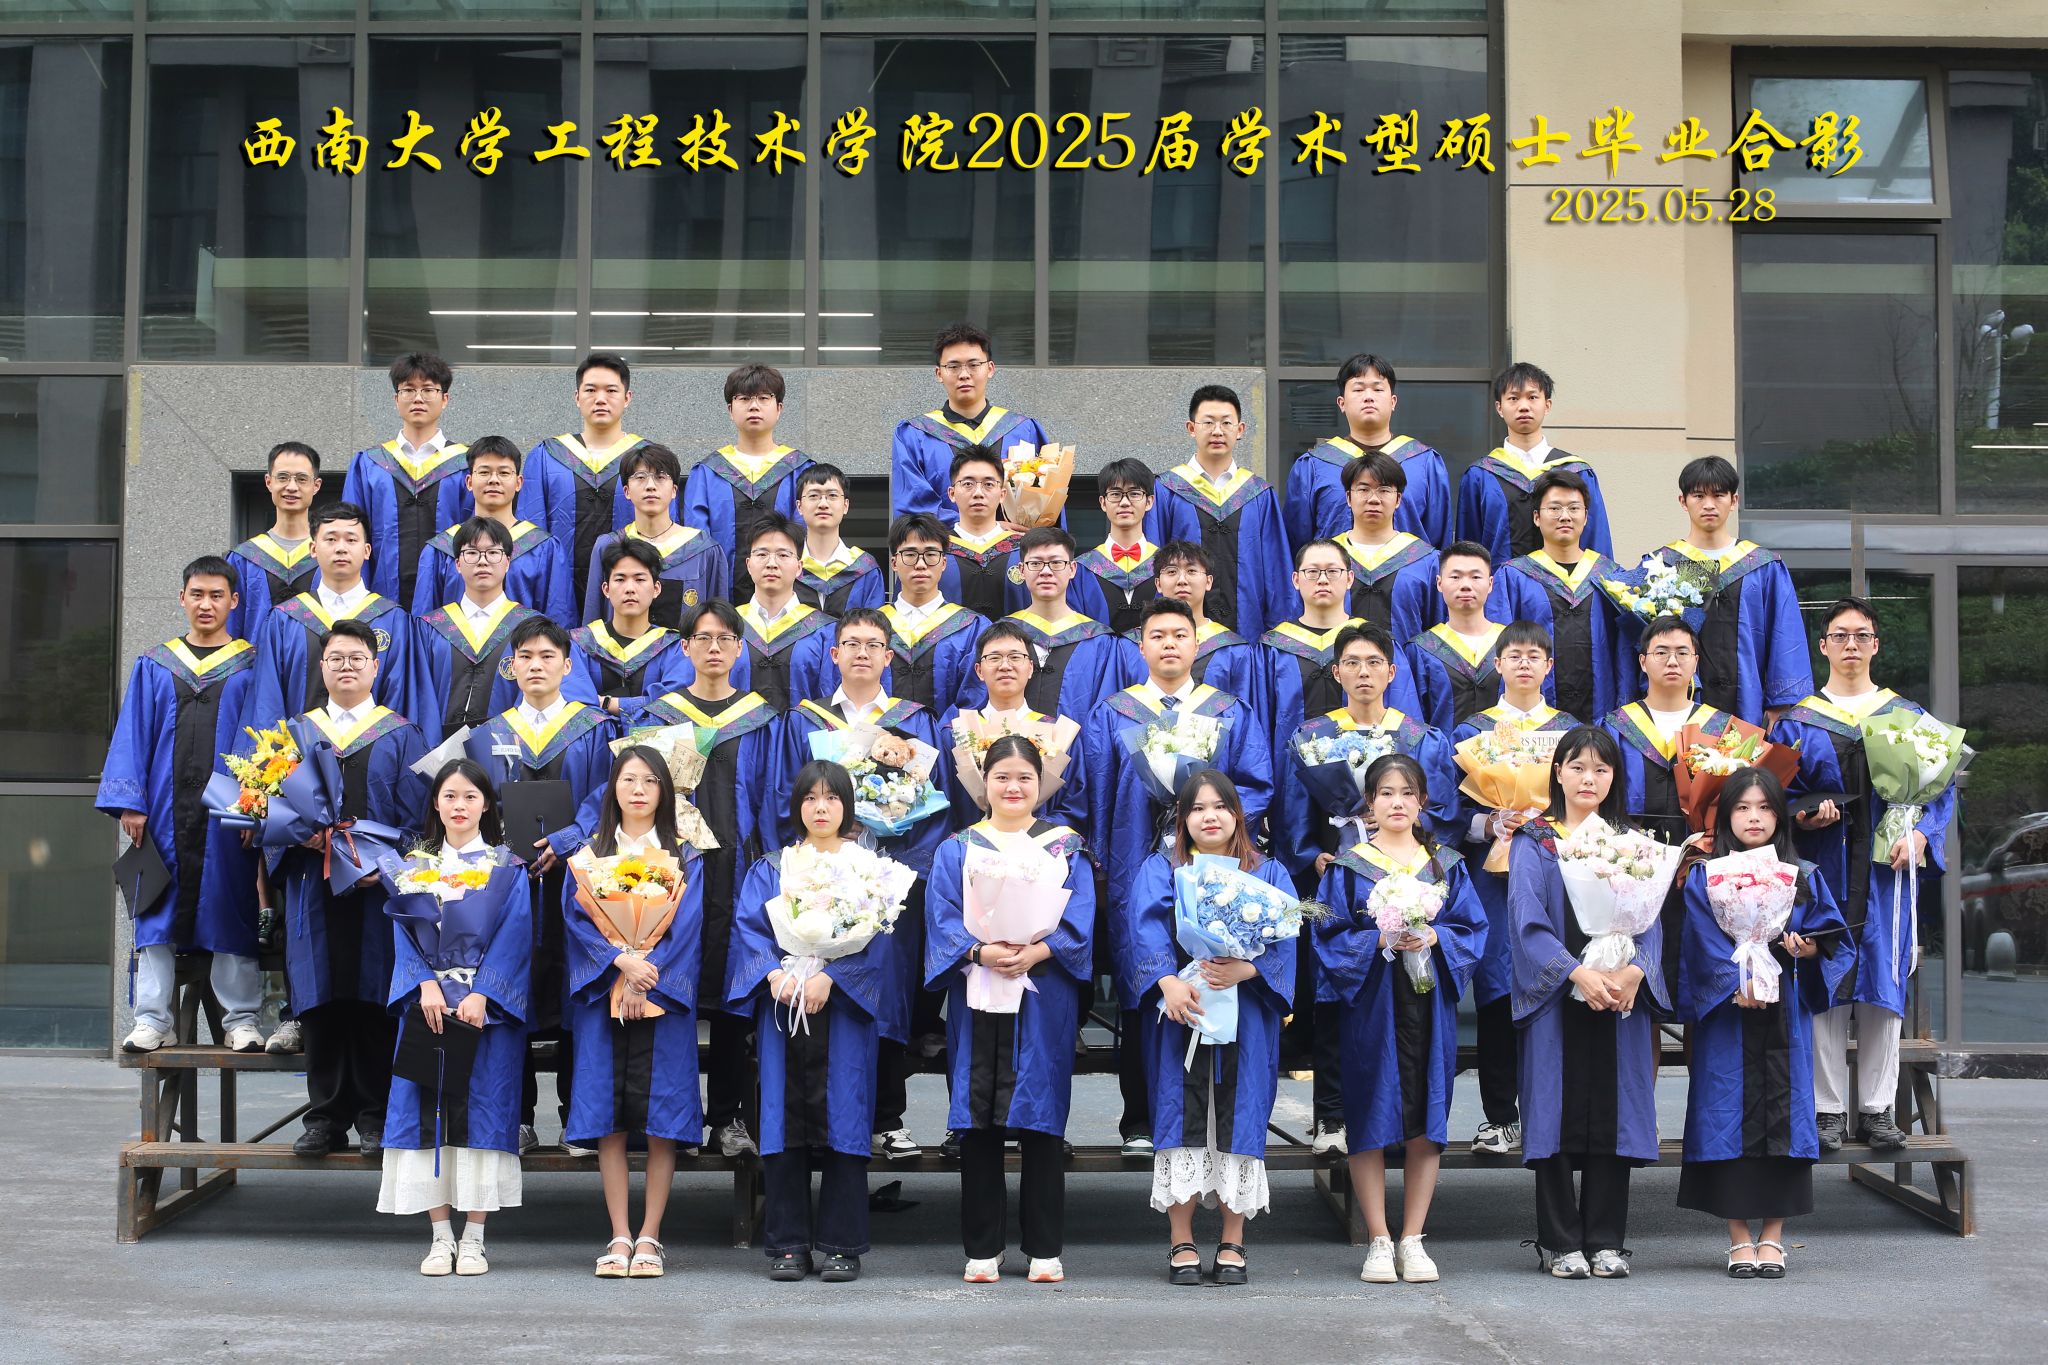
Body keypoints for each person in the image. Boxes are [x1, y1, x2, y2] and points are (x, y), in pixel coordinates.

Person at [1085, 597, 1272, 1155]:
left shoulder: (1227, 711)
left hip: (1212, 866)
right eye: (1157, 635)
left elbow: (1254, 786)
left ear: (1197, 644)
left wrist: (1199, 820)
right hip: (1135, 866)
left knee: (1209, 971)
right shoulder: (1115, 712)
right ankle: (1140, 1120)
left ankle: (1212, 1123)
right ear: (1140, 646)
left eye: (1179, 635)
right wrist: (1103, 863)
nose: (1169, 644)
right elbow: (1096, 792)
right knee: (1144, 980)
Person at [1770, 597, 1954, 1154]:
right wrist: (1803, 816)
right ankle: (1827, 1110)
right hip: (1823, 872)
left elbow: (1939, 792)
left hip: (1884, 875)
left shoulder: (1907, 716)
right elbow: (1776, 797)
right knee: (1825, 983)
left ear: (1876, 645)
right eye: (1840, 635)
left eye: (1861, 635)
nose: (1850, 644)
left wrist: (1922, 837)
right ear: (1823, 646)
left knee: (1883, 985)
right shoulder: (1798, 721)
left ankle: (1878, 1109)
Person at [770, 608, 951, 1162]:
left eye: (874, 645)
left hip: (886, 876)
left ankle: (886, 1118)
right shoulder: (806, 721)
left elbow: (933, 803)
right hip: (821, 873)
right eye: (852, 644)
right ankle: (823, 1119)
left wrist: (899, 863)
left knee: (886, 989)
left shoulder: (913, 722)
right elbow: (784, 794)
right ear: (834, 654)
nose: (863, 653)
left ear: (889, 656)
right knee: (825, 980)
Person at [1273, 622, 1454, 1154]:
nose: (1363, 672)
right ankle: (1331, 1116)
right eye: (1352, 663)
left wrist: (1408, 840)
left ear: (1392, 672)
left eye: (1374, 662)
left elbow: (1442, 808)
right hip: (1339, 878)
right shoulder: (1313, 738)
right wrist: (1312, 855)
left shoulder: (1419, 738)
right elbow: (1292, 812)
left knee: (1400, 999)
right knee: (1334, 989)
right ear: (1336, 672)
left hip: (1404, 876)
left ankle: (1401, 1119)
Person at [924, 737, 1096, 1283]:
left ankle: (1044, 1248)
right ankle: (983, 1248)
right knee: (979, 1118)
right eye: (1002, 776)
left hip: (1041, 993)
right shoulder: (958, 847)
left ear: (1041, 784)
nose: (1013, 787)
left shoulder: (1063, 846)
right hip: (978, 986)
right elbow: (941, 916)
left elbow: (1081, 916)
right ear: (985, 783)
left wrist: (1038, 951)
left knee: (1041, 1116)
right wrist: (979, 951)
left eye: (1025, 777)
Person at [728, 760, 906, 1282]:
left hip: (843, 1009)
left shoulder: (870, 871)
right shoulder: (773, 867)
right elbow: (749, 930)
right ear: (796, 806)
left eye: (831, 797)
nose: (820, 807)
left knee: (846, 1119)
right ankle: (787, 1244)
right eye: (810, 798)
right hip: (783, 1003)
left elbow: (881, 940)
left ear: (847, 806)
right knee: (781, 1119)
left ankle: (841, 1245)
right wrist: (773, 976)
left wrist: (835, 977)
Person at [1120, 771, 1297, 1286]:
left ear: (1238, 815)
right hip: (1183, 1011)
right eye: (1197, 808)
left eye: (1220, 806)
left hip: (1249, 1013)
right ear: (1182, 819)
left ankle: (1232, 1241)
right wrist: (1167, 981)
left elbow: (1287, 939)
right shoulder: (1162, 868)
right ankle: (1181, 1240)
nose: (1210, 816)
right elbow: (1143, 929)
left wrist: (1251, 969)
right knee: (1181, 1115)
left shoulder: (1268, 871)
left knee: (1240, 1118)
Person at [1316, 754, 1487, 1284]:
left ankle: (1412, 1238)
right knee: (1369, 1113)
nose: (1397, 802)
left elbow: (1472, 928)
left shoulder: (1445, 864)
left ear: (1422, 802)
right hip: (1372, 1004)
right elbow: (1327, 936)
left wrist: (1436, 935)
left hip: (1428, 1002)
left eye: (1407, 793)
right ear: (1369, 803)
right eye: (1386, 793)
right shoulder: (1350, 867)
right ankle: (1378, 1238)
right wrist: (1379, 939)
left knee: (1426, 1117)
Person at [1677, 769, 1850, 1279]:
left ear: (1779, 816)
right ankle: (1737, 1238)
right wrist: (1735, 981)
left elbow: (1832, 939)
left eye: (1766, 807)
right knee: (1724, 1112)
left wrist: (1808, 948)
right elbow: (1698, 943)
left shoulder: (1802, 874)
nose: (1754, 817)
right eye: (1743, 807)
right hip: (1728, 1014)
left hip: (1785, 1011)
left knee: (1785, 1116)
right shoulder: (1706, 876)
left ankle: (1772, 1236)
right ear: (1726, 816)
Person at [1507, 725, 1666, 1279]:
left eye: (1600, 768)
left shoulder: (1632, 842)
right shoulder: (1535, 840)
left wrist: (1633, 972)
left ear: (1614, 777)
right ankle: (1559, 1241)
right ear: (1558, 773)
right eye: (1577, 767)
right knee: (1554, 1112)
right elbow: (1526, 921)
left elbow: (1651, 921)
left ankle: (1605, 1240)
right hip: (1559, 996)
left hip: (1618, 995)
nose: (1588, 778)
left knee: (1614, 1116)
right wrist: (1575, 972)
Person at [463, 617, 622, 1153]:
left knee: (579, 990)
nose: (536, 665)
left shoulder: (595, 728)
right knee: (513, 988)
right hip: (508, 886)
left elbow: (607, 795)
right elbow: (475, 803)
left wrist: (571, 838)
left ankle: (579, 1118)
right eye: (525, 657)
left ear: (567, 665)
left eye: (547, 656)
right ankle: (520, 1117)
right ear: (510, 667)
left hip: (578, 882)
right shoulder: (487, 735)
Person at [275, 620, 430, 1158]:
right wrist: (299, 834)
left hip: (375, 891)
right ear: (322, 667)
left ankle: (373, 1115)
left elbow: (417, 823)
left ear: (375, 666)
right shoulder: (295, 733)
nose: (346, 666)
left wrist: (383, 868)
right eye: (336, 658)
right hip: (311, 882)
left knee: (371, 998)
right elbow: (271, 810)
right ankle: (324, 1117)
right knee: (319, 1000)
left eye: (357, 658)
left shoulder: (401, 734)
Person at [100, 556, 265, 1053]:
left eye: (216, 595)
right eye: (197, 594)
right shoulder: (156, 664)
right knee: (155, 907)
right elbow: (134, 734)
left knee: (231, 903)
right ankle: (153, 1019)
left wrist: (253, 808)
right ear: (182, 598)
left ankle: (241, 1020)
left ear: (234, 601)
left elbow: (262, 739)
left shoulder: (251, 665)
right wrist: (130, 803)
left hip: (227, 812)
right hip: (162, 812)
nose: (206, 604)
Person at [377, 758, 531, 1277]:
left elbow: (515, 936)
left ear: (486, 805)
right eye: (449, 796)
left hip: (483, 1012)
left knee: (483, 1116)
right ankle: (440, 1237)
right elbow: (402, 932)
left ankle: (475, 1240)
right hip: (429, 1007)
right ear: (436, 804)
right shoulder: (414, 868)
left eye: (470, 796)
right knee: (427, 1116)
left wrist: (484, 993)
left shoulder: (507, 868)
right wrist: (424, 983)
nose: (459, 805)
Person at [638, 603, 780, 1159]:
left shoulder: (761, 719)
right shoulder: (661, 717)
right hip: (675, 872)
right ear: (685, 647)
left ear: (740, 648)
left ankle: (726, 1117)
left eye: (725, 638)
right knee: (671, 986)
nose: (714, 647)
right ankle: (670, 1118)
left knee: (731, 996)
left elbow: (774, 798)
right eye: (703, 638)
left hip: (741, 872)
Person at [562, 747, 706, 1279]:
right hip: (606, 994)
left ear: (665, 790)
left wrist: (648, 977)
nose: (639, 789)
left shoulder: (684, 856)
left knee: (662, 1119)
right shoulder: (588, 857)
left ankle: (650, 1236)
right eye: (628, 779)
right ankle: (619, 1234)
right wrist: (619, 964)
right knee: (610, 1120)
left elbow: (687, 927)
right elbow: (576, 922)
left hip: (662, 999)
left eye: (650, 780)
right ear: (612, 789)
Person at [1451, 621, 1580, 1159]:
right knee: (1498, 987)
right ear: (1498, 665)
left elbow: (1592, 788)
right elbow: (1448, 809)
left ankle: (1558, 1113)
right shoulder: (1473, 731)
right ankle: (1501, 1116)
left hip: (1560, 870)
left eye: (1534, 656)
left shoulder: (1570, 731)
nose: (1524, 664)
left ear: (1549, 666)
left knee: (1560, 977)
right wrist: (1488, 823)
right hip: (1494, 873)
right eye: (1514, 656)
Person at [1599, 616, 1736, 991]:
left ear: (1696, 662)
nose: (1672, 661)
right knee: (1639, 964)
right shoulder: (1615, 726)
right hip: (1632, 866)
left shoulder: (1721, 728)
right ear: (1642, 662)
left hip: (1701, 864)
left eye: (1682, 653)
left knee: (1697, 964)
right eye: (1661, 652)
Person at [243, 500, 429, 734]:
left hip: (375, 754)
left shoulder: (393, 621)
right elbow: (267, 702)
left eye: (351, 540)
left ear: (367, 550)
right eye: (331, 539)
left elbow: (402, 699)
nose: (341, 548)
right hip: (297, 754)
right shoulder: (285, 620)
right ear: (313, 549)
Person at [1261, 540, 1424, 804]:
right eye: (1312, 571)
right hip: (1293, 785)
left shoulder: (1376, 644)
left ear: (1349, 579)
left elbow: (1403, 719)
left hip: (1375, 789)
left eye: (1332, 571)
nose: (1322, 579)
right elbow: (1263, 725)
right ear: (1296, 580)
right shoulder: (1272, 649)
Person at [1652, 456, 1809, 726]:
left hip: (1749, 708)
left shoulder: (1763, 567)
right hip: (1679, 709)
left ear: (1734, 500)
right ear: (1683, 501)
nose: (1709, 504)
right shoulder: (1664, 566)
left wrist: (1780, 706)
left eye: (1718, 495)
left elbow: (1785, 637)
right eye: (1698, 495)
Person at [1144, 385, 1292, 639]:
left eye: (1226, 423)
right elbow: (1152, 563)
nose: (1217, 431)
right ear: (1191, 428)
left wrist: (1277, 635)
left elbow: (1276, 570)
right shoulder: (1167, 489)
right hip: (1179, 636)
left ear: (1240, 430)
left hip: (1248, 633)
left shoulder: (1258, 494)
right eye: (1208, 422)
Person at [1495, 468, 1629, 726]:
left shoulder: (1611, 577)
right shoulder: (1514, 576)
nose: (1564, 516)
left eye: (1574, 508)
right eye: (1554, 508)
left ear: (1586, 517)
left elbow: (1623, 652)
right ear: (1537, 517)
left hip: (1601, 713)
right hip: (1533, 721)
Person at [517, 353, 651, 610]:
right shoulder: (547, 456)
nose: (600, 398)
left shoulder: (647, 459)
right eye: (590, 390)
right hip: (555, 592)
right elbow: (531, 532)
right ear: (577, 397)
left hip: (627, 594)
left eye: (611, 390)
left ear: (627, 398)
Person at [1284, 353, 1453, 551]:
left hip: (1409, 571)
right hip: (1334, 570)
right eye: (1358, 389)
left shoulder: (1424, 462)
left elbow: (1439, 543)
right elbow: (1297, 545)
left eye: (1378, 389)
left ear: (1393, 401)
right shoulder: (1313, 465)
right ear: (1341, 403)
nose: (1368, 397)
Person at [343, 353, 470, 609]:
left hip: (451, 598)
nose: (418, 398)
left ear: (445, 399)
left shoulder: (466, 463)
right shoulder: (370, 464)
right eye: (408, 390)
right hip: (381, 599)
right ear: (396, 399)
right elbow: (350, 533)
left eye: (428, 390)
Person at [891, 321, 1051, 525]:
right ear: (939, 373)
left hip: (1015, 544)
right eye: (953, 366)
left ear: (990, 369)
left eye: (974, 365)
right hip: (944, 544)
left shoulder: (1023, 430)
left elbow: (1046, 505)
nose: (964, 374)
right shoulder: (915, 435)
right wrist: (982, 527)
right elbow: (912, 508)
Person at [1456, 362, 1612, 568]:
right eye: (1513, 398)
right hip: (1501, 586)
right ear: (1499, 408)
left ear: (1547, 405)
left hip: (1568, 587)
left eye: (1532, 397)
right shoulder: (1481, 475)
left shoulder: (1577, 472)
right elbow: (1468, 550)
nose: (1523, 406)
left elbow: (1596, 543)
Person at [414, 517, 554, 745]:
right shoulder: (431, 627)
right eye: (471, 553)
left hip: (509, 751)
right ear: (458, 564)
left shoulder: (532, 627)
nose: (482, 561)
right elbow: (420, 696)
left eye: (493, 553)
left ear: (507, 562)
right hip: (438, 752)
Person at [939, 620, 1088, 832]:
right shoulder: (956, 734)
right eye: (994, 658)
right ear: (979, 671)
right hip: (971, 845)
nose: (1005, 666)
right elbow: (943, 805)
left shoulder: (1058, 735)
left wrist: (1033, 835)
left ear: (1030, 668)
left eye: (1015, 657)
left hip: (1040, 847)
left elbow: (1073, 806)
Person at [411, 436, 575, 627]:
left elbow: (558, 620)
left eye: (504, 473)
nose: (494, 480)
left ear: (519, 483)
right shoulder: (441, 549)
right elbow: (423, 626)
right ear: (469, 482)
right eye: (484, 472)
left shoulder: (543, 548)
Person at [675, 515, 834, 712]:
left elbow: (830, 698)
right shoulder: (722, 628)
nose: (771, 563)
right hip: (733, 732)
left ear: (799, 567)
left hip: (801, 732)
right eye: (762, 554)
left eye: (783, 555)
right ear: (749, 565)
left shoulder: (824, 631)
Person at [581, 443, 731, 633]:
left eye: (660, 477)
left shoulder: (703, 550)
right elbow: (594, 622)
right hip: (622, 652)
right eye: (640, 477)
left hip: (685, 652)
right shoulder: (608, 546)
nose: (650, 486)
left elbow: (719, 622)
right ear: (626, 491)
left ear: (674, 490)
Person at [682, 362, 812, 581]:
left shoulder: (799, 470)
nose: (754, 406)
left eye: (763, 398)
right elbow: (697, 543)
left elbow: (806, 539)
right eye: (744, 398)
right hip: (721, 592)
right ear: (730, 410)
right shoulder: (707, 473)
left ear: (779, 408)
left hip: (784, 591)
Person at [1005, 526, 1135, 722]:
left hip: (1078, 742)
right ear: (1022, 570)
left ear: (1072, 569)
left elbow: (1105, 714)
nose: (1046, 571)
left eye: (1056, 563)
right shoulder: (1002, 634)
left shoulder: (1100, 642)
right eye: (1035, 563)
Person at [869, 513, 988, 714]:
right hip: (877, 734)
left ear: (944, 563)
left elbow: (974, 700)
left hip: (949, 734)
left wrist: (940, 730)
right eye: (910, 554)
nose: (921, 564)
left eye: (931, 554)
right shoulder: (871, 627)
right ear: (894, 563)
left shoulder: (972, 628)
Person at [1141, 541, 1265, 723]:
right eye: (1172, 572)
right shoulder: (1130, 647)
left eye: (1191, 571)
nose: (1182, 580)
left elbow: (1245, 720)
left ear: (1208, 582)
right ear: (1158, 584)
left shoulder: (1234, 651)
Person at [569, 539, 689, 721]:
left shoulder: (674, 648)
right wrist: (642, 704)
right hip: (596, 738)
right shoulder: (579, 645)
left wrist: (609, 703)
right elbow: (574, 700)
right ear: (606, 589)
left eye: (640, 579)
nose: (630, 589)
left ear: (656, 589)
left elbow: (675, 703)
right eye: (620, 579)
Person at [1332, 450, 1440, 645]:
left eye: (1384, 490)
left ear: (1398, 499)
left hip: (1405, 663)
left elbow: (1437, 630)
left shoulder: (1426, 561)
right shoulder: (1327, 557)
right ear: (1348, 497)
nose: (1373, 499)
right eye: (1363, 490)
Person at [1408, 541, 1511, 735]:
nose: (1465, 585)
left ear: (1490, 584)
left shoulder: (1511, 644)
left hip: (1506, 753)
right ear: (1439, 583)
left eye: (1475, 577)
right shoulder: (1421, 649)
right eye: (1455, 577)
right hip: (1441, 754)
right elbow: (1414, 721)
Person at [225, 440, 323, 640]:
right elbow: (229, 629)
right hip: (256, 659)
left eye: (302, 479)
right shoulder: (244, 558)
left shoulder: (329, 554)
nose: (292, 487)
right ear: (269, 482)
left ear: (316, 485)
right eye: (283, 477)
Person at [938, 445, 1027, 620]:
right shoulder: (933, 551)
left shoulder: (1025, 549)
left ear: (1002, 494)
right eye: (968, 484)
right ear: (952, 493)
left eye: (988, 484)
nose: (978, 493)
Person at [1072, 457, 1158, 633]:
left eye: (1134, 493)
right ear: (1103, 502)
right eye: (1115, 494)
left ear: (1149, 501)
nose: (1124, 502)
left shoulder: (1165, 565)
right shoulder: (1081, 569)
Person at [792, 463, 885, 617]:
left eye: (832, 495)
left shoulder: (866, 569)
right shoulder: (786, 565)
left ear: (846, 505)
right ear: (799, 506)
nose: (823, 504)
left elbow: (874, 627)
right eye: (813, 496)